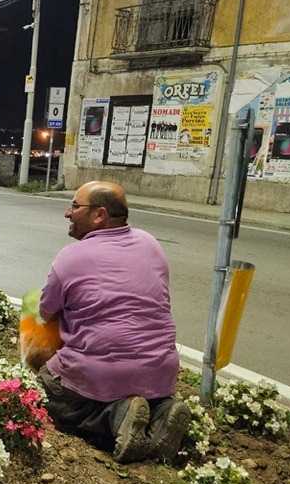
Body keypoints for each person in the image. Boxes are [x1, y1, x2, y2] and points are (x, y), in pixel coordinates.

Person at [38, 181, 189, 463]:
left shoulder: (71, 257)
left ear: (100, 215)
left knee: (49, 395)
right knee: (140, 384)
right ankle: (161, 411)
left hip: (101, 375)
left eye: (74, 206)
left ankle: (115, 417)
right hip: (161, 373)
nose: (67, 213)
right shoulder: (150, 244)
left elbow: (45, 313)